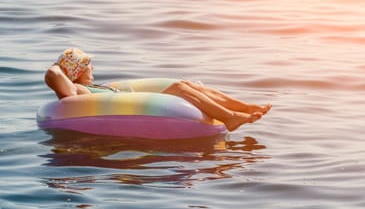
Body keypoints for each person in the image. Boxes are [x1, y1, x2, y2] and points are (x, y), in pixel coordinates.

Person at [45, 48, 271, 132]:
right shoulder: (75, 90)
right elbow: (53, 76)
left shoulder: (90, 86)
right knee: (179, 87)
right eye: (86, 65)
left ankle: (244, 107)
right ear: (75, 72)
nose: (92, 67)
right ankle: (230, 117)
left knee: (187, 83)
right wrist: (60, 66)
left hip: (133, 99)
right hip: (135, 105)